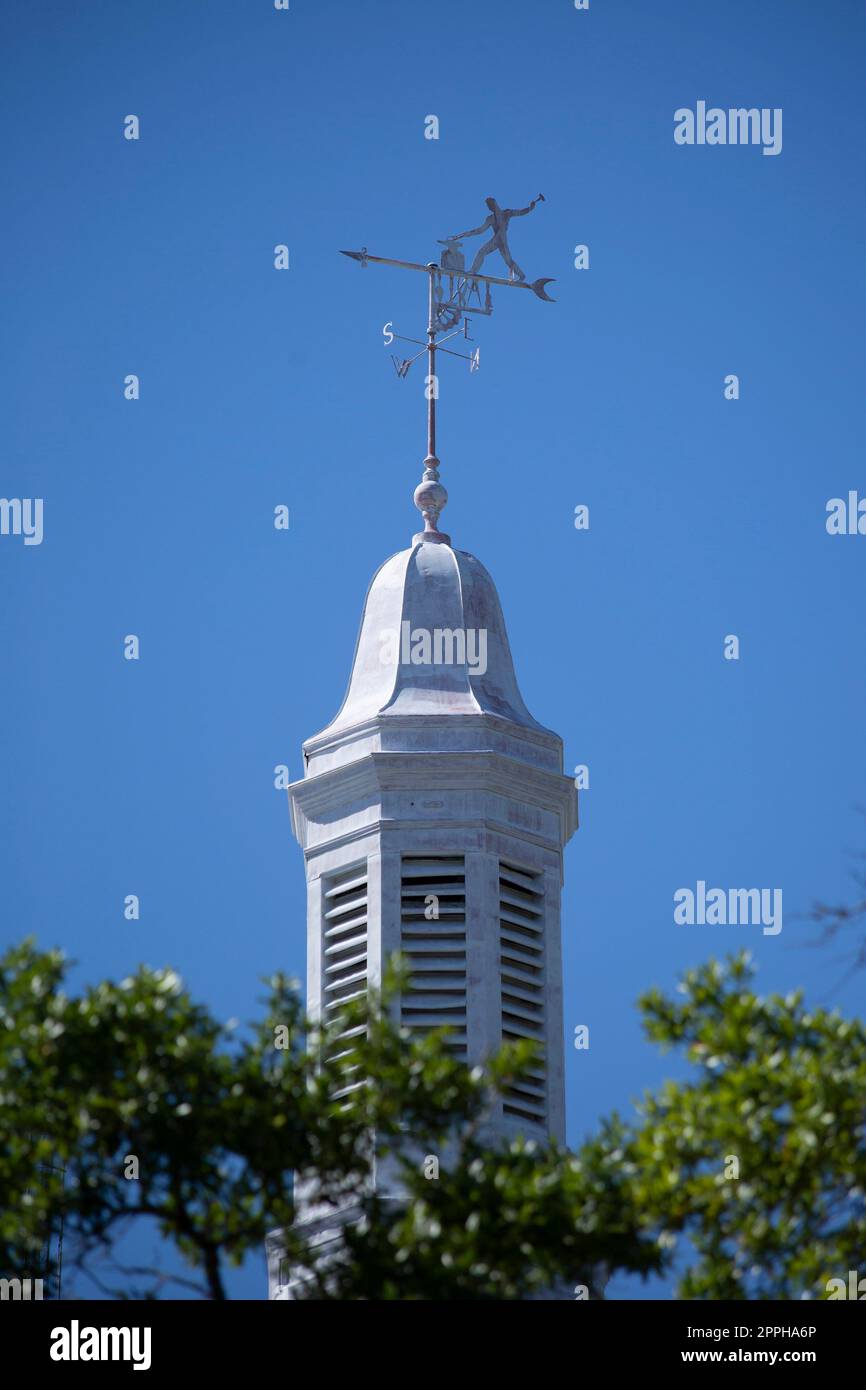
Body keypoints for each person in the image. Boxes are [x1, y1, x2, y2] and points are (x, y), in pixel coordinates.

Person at [447, 195, 543, 281]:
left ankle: (522, 275)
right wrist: (461, 235)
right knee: (482, 252)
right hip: (497, 238)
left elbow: (521, 212)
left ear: (494, 204)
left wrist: (531, 208)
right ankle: (473, 270)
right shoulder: (490, 218)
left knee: (508, 260)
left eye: (490, 206)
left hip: (502, 238)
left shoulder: (506, 213)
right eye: (489, 207)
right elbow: (479, 230)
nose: (490, 208)